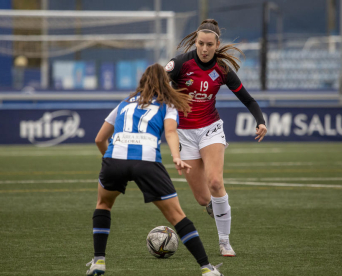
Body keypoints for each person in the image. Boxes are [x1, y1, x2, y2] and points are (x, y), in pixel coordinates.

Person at [85, 64, 224, 276]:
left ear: (142, 81)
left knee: (103, 204)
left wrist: (111, 159)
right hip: (146, 162)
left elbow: (99, 139)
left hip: (115, 157)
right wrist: (176, 156)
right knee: (177, 216)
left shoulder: (124, 103)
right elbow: (170, 132)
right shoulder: (167, 104)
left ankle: (99, 261)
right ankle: (207, 269)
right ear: (166, 83)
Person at [165, 19, 267, 257]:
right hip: (184, 134)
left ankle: (224, 241)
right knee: (202, 198)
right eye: (200, 43)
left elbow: (248, 99)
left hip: (210, 128)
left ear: (217, 44)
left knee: (215, 183)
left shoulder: (222, 69)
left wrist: (260, 120)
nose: (204, 48)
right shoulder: (180, 63)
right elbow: (158, 82)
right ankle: (217, 207)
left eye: (209, 44)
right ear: (196, 41)